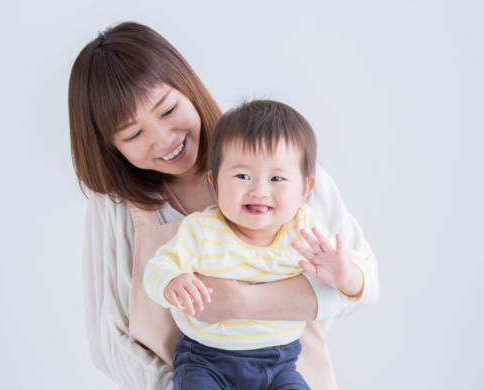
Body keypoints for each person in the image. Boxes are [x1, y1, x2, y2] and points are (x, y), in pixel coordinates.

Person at [68, 21, 379, 390]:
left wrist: (243, 302)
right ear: (110, 147)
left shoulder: (284, 169)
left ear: (188, 87)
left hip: (289, 373)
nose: (164, 140)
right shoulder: (117, 209)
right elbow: (109, 343)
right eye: (133, 134)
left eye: (168, 110)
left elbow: (362, 287)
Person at [143, 100, 367, 389]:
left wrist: (344, 276)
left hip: (278, 363)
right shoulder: (202, 230)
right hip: (205, 360)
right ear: (215, 182)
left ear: (305, 190)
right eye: (242, 176)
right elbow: (158, 267)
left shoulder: (304, 229)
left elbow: (357, 274)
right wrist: (172, 280)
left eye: (277, 178)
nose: (259, 190)